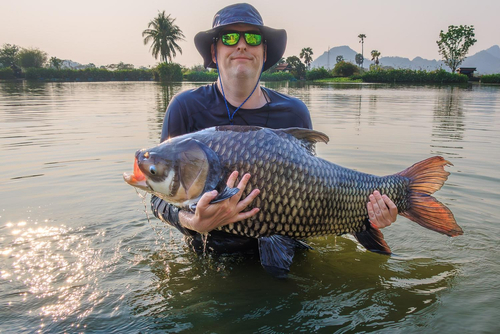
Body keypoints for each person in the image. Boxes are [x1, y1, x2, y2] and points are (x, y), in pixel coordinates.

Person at [151, 3, 397, 256]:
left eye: (253, 38)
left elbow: (312, 190)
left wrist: (367, 214)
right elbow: (158, 198)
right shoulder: (186, 107)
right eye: (230, 37)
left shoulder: (294, 112)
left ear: (264, 52)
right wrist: (193, 222)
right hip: (211, 257)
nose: (242, 44)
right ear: (214, 52)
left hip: (289, 253)